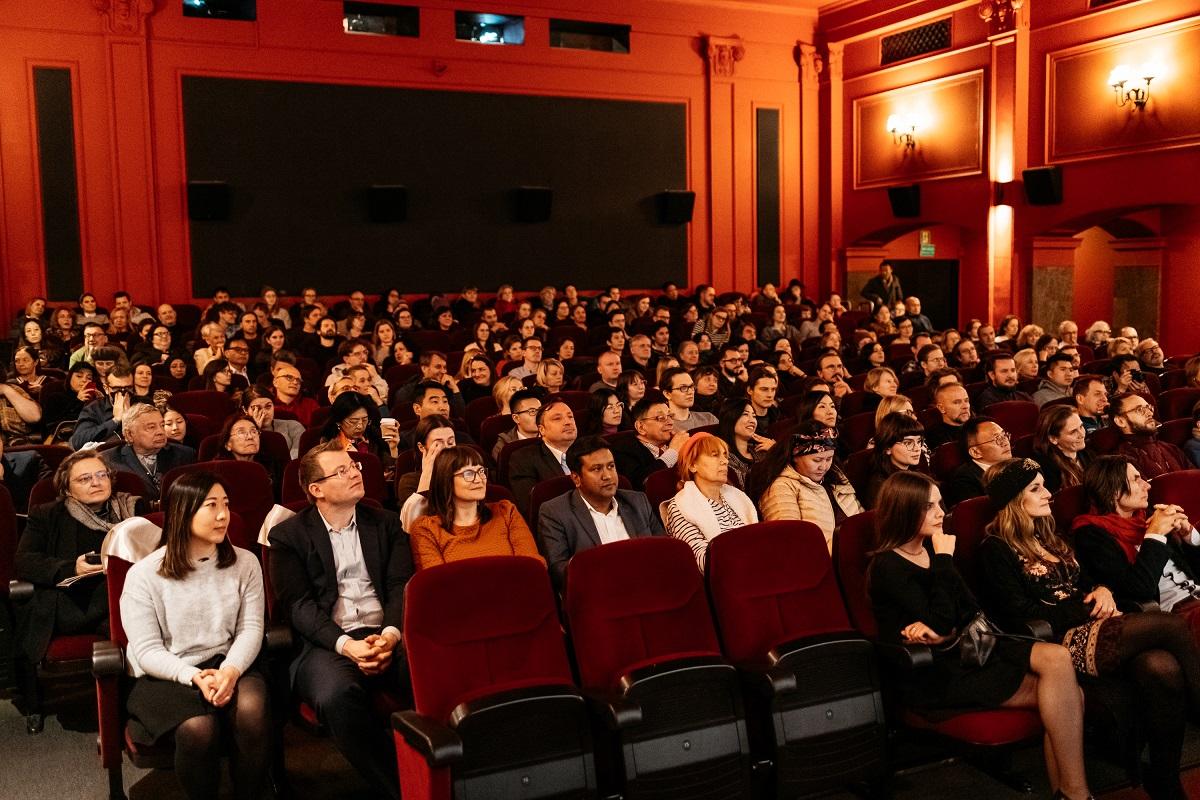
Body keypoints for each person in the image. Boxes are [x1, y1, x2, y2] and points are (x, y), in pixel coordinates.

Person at [977, 458, 1200, 800]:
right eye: (1035, 488)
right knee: (1169, 626)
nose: (1048, 494)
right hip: (1057, 643)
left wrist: (1102, 589)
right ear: (1013, 500)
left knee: (1162, 667)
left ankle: (1165, 779)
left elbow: (1088, 581)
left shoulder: (1051, 537)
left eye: (1044, 485)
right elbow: (1018, 614)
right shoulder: (995, 549)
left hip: (1097, 629)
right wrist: (1083, 605)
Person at [867, 471, 1093, 800]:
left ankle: (1073, 793)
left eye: (939, 504)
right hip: (938, 671)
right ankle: (1075, 794)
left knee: (1057, 660)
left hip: (974, 647)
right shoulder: (888, 566)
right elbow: (942, 621)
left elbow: (969, 609)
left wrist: (945, 617)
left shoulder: (931, 549)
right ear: (904, 511)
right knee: (1071, 698)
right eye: (929, 507)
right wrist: (944, 560)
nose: (940, 513)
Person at [268, 442, 413, 800]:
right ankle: (403, 789)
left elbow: (400, 586)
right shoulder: (288, 536)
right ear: (316, 490)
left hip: (387, 631)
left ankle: (454, 769)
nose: (355, 474)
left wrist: (392, 635)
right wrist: (347, 646)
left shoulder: (386, 522)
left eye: (354, 467)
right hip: (326, 640)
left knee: (430, 670)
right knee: (337, 694)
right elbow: (299, 606)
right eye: (343, 471)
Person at [120, 472, 269, 800]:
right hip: (167, 673)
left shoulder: (245, 563)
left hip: (228, 661)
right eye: (211, 505)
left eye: (226, 505)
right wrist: (192, 676)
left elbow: (250, 629)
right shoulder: (144, 575)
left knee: (252, 711)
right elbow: (146, 650)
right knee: (198, 729)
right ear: (182, 512)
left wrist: (230, 670)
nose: (223, 515)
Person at [15, 451, 146, 730]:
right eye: (85, 478)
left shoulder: (134, 510)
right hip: (74, 601)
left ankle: (140, 701)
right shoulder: (47, 514)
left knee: (128, 610)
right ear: (66, 488)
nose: (96, 482)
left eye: (101, 475)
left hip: (128, 596)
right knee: (125, 611)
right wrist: (70, 568)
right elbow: (25, 561)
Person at [1074, 456, 1200, 638]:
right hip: (1167, 614)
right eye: (1136, 479)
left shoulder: (1145, 518)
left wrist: (1188, 535)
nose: (1147, 485)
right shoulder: (1090, 535)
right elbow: (1139, 590)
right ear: (1114, 491)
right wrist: (1155, 535)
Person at [534, 435, 663, 591]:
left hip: (647, 587)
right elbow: (559, 571)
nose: (607, 476)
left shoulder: (637, 501)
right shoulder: (554, 512)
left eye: (611, 466)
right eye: (596, 469)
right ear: (576, 478)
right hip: (597, 594)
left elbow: (663, 549)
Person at [405, 445, 542, 570]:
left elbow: (532, 566)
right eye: (468, 474)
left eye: (481, 471)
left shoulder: (506, 512)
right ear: (446, 480)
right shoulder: (426, 530)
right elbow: (437, 585)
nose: (479, 479)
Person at [755, 422, 864, 553]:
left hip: (857, 553)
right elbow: (790, 543)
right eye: (817, 460)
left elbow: (860, 516)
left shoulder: (835, 475)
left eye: (829, 459)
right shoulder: (780, 487)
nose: (823, 467)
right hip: (824, 563)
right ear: (795, 456)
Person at [662, 433, 759, 570]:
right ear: (692, 465)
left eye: (725, 455)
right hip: (727, 579)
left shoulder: (738, 497)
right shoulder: (680, 507)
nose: (725, 461)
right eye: (714, 455)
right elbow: (703, 563)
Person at [102, 404, 196, 497]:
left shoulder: (185, 454)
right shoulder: (108, 461)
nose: (160, 432)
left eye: (162, 425)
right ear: (129, 435)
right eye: (151, 427)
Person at [506, 399, 578, 513]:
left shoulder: (588, 451)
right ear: (542, 429)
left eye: (570, 417)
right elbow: (532, 506)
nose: (568, 422)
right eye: (557, 418)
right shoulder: (523, 459)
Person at [609, 396, 690, 489]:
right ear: (641, 427)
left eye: (670, 416)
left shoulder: (675, 441)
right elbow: (642, 483)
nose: (670, 422)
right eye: (661, 418)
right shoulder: (623, 449)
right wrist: (673, 452)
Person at [1110, 391, 1188, 480]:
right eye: (1139, 410)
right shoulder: (1122, 460)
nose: (1150, 413)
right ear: (1120, 421)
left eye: (1148, 407)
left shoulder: (1171, 448)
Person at [319, 391, 398, 471]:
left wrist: (393, 448)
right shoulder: (329, 443)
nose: (360, 426)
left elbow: (389, 468)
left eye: (364, 420)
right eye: (353, 421)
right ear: (339, 421)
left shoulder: (372, 434)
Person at [945, 417, 1012, 506]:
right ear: (976, 452)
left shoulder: (1016, 464)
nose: (1006, 442)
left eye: (1004, 435)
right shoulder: (964, 481)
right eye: (997, 438)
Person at [863, 412, 925, 508]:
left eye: (919, 441)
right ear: (887, 448)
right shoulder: (881, 486)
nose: (917, 448)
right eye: (908, 443)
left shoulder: (918, 471)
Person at [717, 398, 774, 488]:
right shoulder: (723, 457)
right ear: (730, 417)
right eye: (745, 414)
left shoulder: (762, 450)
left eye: (754, 416)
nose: (752, 421)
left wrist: (776, 449)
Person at [1033, 406, 1092, 493]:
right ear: (1053, 439)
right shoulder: (1046, 469)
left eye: (1081, 426)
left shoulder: (1089, 452)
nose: (1082, 434)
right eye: (1073, 432)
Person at [492, 388, 541, 461]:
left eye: (540, 410)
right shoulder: (504, 447)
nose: (539, 416)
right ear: (516, 418)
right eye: (532, 411)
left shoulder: (553, 435)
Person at [924, 382, 972, 449]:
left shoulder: (979, 426)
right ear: (941, 408)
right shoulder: (933, 437)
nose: (965, 406)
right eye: (957, 402)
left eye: (966, 401)